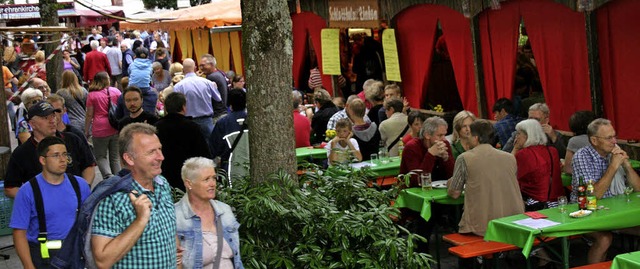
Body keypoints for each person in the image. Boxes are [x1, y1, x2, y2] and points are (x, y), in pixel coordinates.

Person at [91, 123, 179, 268]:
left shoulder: (162, 184)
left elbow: (169, 231)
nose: (161, 157)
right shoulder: (113, 199)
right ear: (129, 159)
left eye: (160, 149)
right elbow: (102, 261)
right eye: (151, 152)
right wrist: (141, 220)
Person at [10, 136, 91, 269]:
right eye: (56, 155)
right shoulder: (28, 191)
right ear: (42, 160)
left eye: (65, 154)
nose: (63, 159)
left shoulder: (80, 185)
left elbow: (91, 221)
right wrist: (28, 266)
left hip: (76, 255)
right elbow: (19, 233)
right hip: (44, 259)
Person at [571, 118, 640, 264]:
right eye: (609, 138)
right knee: (604, 239)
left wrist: (627, 165)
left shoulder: (613, 153)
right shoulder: (582, 156)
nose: (614, 141)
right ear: (594, 140)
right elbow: (593, 196)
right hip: (586, 213)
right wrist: (614, 166)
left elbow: (638, 189)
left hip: (614, 213)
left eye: (615, 136)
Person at [447, 120, 524, 236]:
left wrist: (450, 183)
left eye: (470, 135)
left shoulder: (465, 158)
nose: (468, 139)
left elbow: (455, 193)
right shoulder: (510, 158)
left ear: (476, 138)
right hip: (513, 219)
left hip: (482, 224)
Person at [4, 101, 96, 198]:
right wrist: (35, 200)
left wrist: (83, 188)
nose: (52, 120)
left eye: (53, 116)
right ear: (32, 124)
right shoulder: (22, 153)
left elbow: (89, 166)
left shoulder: (73, 140)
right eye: (45, 118)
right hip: (42, 211)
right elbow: (10, 188)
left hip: (76, 203)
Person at [176, 157, 244, 268]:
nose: (213, 184)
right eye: (206, 179)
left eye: (213, 178)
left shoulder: (225, 210)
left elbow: (237, 258)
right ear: (189, 184)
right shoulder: (176, 216)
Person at [155, 92, 211, 190]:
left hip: (164, 175)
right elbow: (203, 154)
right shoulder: (193, 127)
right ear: (183, 107)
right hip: (189, 176)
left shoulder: (157, 127)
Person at [512, 119, 564, 211]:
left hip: (535, 203)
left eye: (518, 134)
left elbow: (510, 173)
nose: (516, 137)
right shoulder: (553, 151)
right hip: (556, 202)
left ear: (527, 136)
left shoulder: (524, 154)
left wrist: (515, 148)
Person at [173, 58, 222, 141]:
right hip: (206, 121)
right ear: (195, 67)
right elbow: (218, 98)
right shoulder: (207, 82)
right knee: (211, 147)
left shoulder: (178, 86)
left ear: (183, 69)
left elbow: (177, 106)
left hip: (188, 122)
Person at [85, 72, 121, 179]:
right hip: (114, 126)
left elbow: (89, 115)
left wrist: (86, 130)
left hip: (99, 128)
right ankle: (118, 178)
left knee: (101, 156)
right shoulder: (116, 91)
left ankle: (108, 177)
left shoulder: (92, 95)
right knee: (115, 156)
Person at [400, 116, 454, 186]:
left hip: (439, 189)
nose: (444, 139)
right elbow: (417, 181)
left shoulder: (445, 144)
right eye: (440, 135)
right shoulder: (411, 147)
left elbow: (453, 177)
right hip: (412, 192)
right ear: (427, 135)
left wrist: (446, 159)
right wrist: (430, 155)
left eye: (444, 135)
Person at [503, 103, 567, 158]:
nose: (532, 123)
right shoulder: (518, 134)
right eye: (530, 119)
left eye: (537, 120)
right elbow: (504, 153)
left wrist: (554, 138)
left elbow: (563, 156)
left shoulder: (555, 135)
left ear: (546, 120)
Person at [209, 89, 247, 165]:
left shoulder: (222, 123)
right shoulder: (254, 121)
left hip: (229, 167)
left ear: (230, 104)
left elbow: (214, 149)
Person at [200, 54, 229, 123]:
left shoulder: (212, 77)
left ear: (212, 64)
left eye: (203, 65)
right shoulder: (220, 73)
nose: (201, 68)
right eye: (200, 66)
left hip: (217, 115)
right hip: (223, 112)